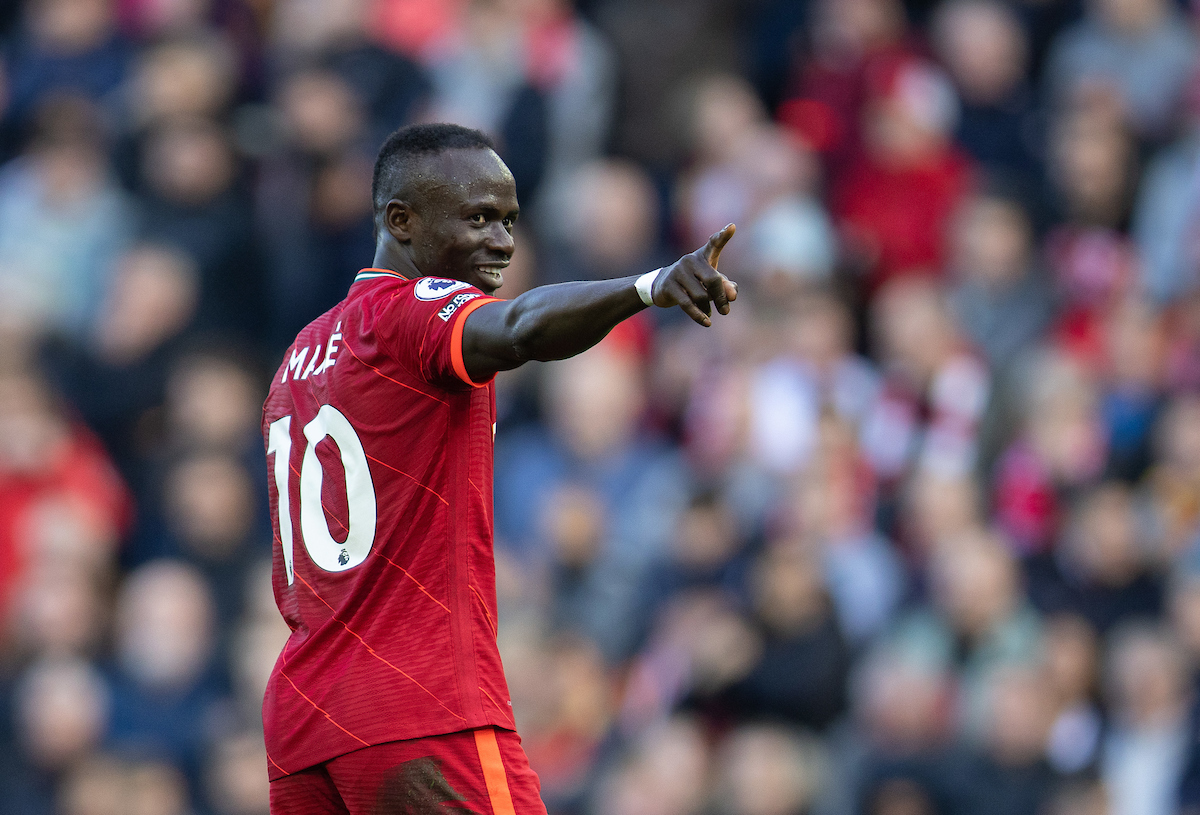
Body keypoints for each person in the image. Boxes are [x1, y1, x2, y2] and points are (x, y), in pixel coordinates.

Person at [260, 122, 736, 815]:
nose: (503, 241)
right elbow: (516, 329)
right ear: (402, 220)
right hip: (418, 701)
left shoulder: (299, 355)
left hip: (304, 715)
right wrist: (648, 286)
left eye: (509, 220)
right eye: (479, 217)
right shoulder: (411, 313)